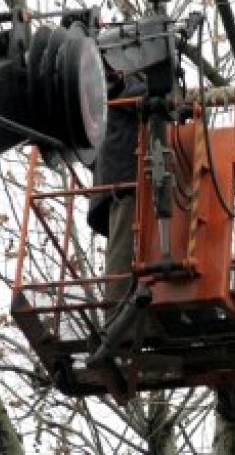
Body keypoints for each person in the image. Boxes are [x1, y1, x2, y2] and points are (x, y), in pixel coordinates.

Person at [87, 68, 145, 308]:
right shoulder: (118, 84)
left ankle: (128, 304)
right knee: (123, 248)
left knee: (129, 245)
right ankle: (116, 312)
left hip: (120, 180)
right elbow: (145, 98)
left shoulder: (97, 90)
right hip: (124, 183)